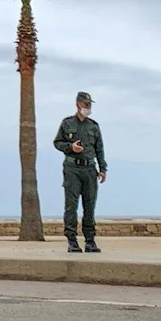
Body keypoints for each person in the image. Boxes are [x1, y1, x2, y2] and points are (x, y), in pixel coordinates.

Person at [52, 92, 106, 253]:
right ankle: (72, 240)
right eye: (85, 104)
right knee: (71, 205)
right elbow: (57, 142)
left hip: (90, 169)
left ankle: (90, 240)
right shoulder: (67, 123)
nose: (88, 107)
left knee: (89, 205)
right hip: (72, 169)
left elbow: (99, 149)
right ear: (78, 104)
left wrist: (102, 169)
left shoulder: (94, 126)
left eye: (89, 105)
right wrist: (71, 147)